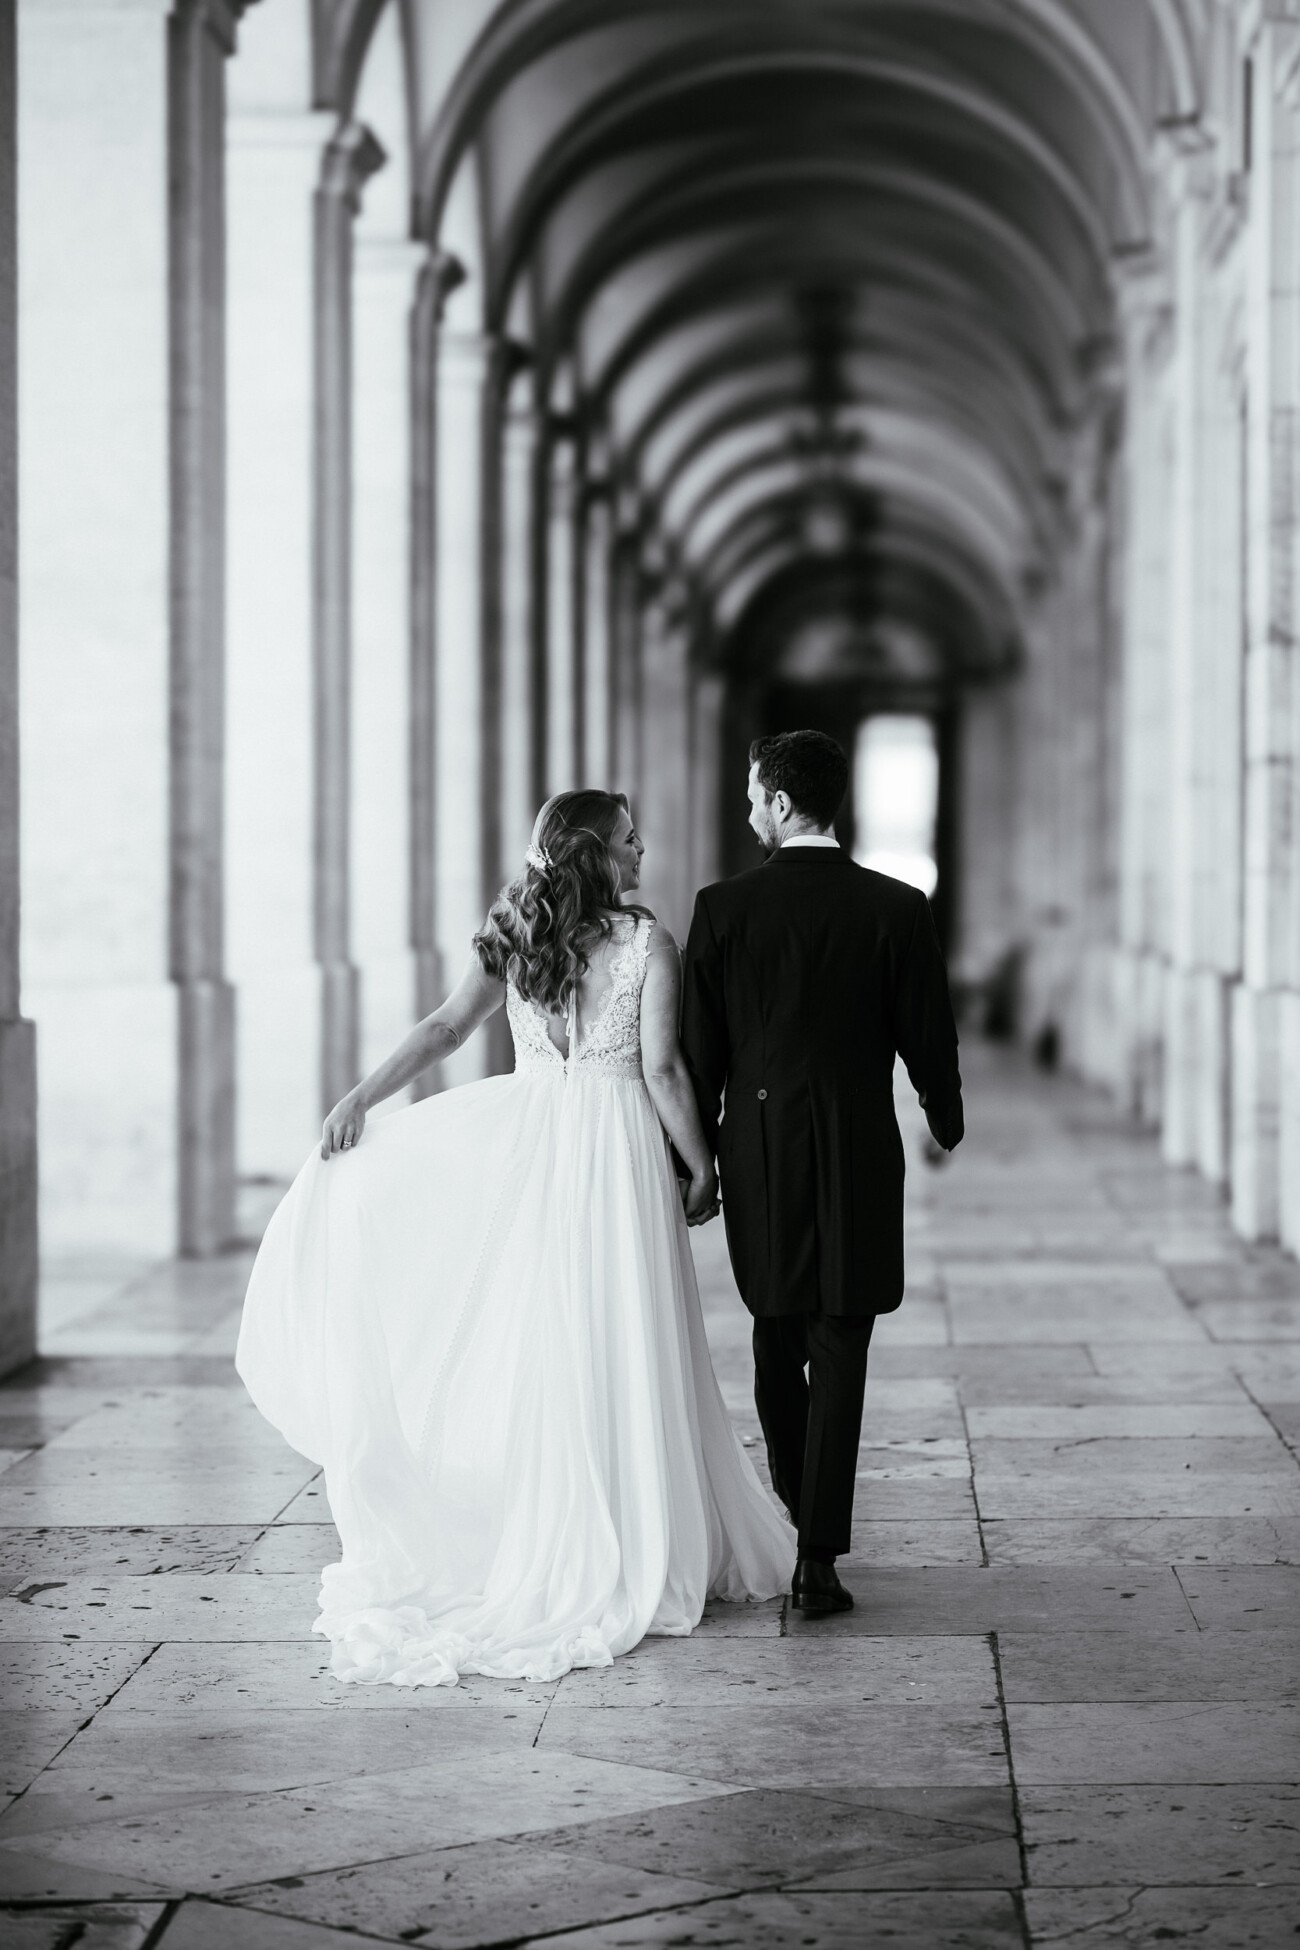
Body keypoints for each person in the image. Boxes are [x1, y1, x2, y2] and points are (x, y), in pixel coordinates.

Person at [236, 789, 794, 1688]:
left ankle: (553, 1520)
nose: (642, 847)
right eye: (627, 838)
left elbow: (446, 1028)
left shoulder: (516, 933)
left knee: (548, 1335)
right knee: (623, 1331)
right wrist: (702, 1167)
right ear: (597, 854)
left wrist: (361, 1098)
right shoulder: (648, 944)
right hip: (614, 1157)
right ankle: (628, 1525)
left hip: (539, 1145)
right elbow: (659, 1068)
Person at [681, 730, 963, 1615]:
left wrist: (689, 1160)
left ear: (778, 800)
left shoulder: (723, 908)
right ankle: (816, 1558)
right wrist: (944, 1114)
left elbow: (698, 1053)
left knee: (775, 1336)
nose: (748, 807)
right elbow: (929, 1029)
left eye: (753, 792)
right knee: (843, 1342)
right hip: (857, 1147)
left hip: (758, 1151)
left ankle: (800, 1515)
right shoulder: (896, 906)